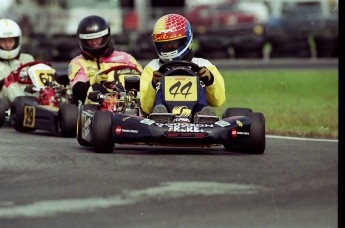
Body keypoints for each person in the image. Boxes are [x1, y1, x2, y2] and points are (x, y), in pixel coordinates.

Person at [140, 14, 226, 121]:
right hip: (163, 115)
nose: (169, 47)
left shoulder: (203, 64)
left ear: (186, 39)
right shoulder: (152, 68)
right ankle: (161, 114)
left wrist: (209, 81)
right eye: (164, 45)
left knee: (198, 82)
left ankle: (203, 112)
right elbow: (146, 107)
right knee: (161, 86)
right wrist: (153, 84)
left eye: (174, 43)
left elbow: (219, 100)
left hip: (196, 117)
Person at [68, 15, 143, 104]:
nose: (94, 43)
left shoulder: (126, 59)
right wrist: (93, 81)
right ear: (83, 40)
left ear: (105, 37)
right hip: (97, 109)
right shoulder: (77, 63)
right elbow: (78, 93)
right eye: (90, 39)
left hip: (129, 103)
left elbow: (144, 83)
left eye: (97, 38)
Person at [0, 18, 35, 109]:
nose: (8, 45)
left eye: (11, 41)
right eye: (3, 41)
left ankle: (52, 110)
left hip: (29, 96)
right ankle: (26, 110)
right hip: (3, 104)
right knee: (10, 85)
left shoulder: (27, 58)